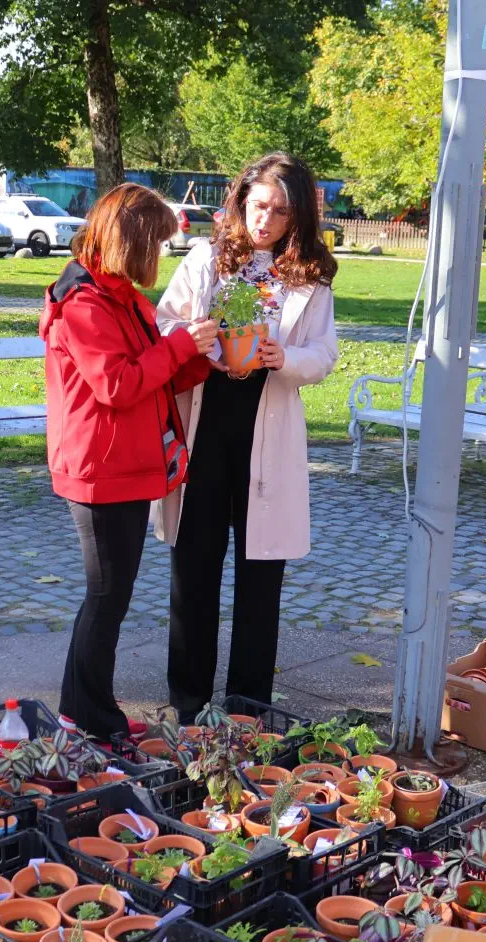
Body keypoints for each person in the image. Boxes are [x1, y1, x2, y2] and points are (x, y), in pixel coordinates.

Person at [154, 153, 339, 723]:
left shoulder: (309, 274)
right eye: (258, 206)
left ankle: (247, 711)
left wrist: (287, 357)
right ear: (240, 203)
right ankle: (188, 705)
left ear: (297, 216)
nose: (265, 220)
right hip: (208, 430)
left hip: (269, 433)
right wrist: (195, 337)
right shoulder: (207, 259)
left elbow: (325, 354)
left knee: (261, 579)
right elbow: (164, 323)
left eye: (280, 212)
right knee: (195, 571)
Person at [40, 182, 218, 739]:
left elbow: (150, 373)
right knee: (105, 596)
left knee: (109, 597)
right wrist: (183, 347)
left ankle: (82, 708)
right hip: (100, 469)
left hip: (122, 465)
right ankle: (87, 714)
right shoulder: (86, 303)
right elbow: (117, 385)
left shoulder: (119, 295)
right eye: (158, 243)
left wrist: (199, 358)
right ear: (134, 241)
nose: (162, 254)